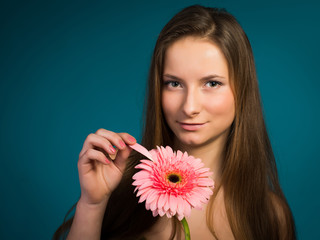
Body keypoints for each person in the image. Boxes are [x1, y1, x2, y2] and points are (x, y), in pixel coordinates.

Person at [53, 4, 296, 240]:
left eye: (212, 83)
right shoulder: (119, 189)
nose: (189, 107)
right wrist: (92, 204)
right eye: (174, 83)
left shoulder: (271, 216)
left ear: (242, 90)